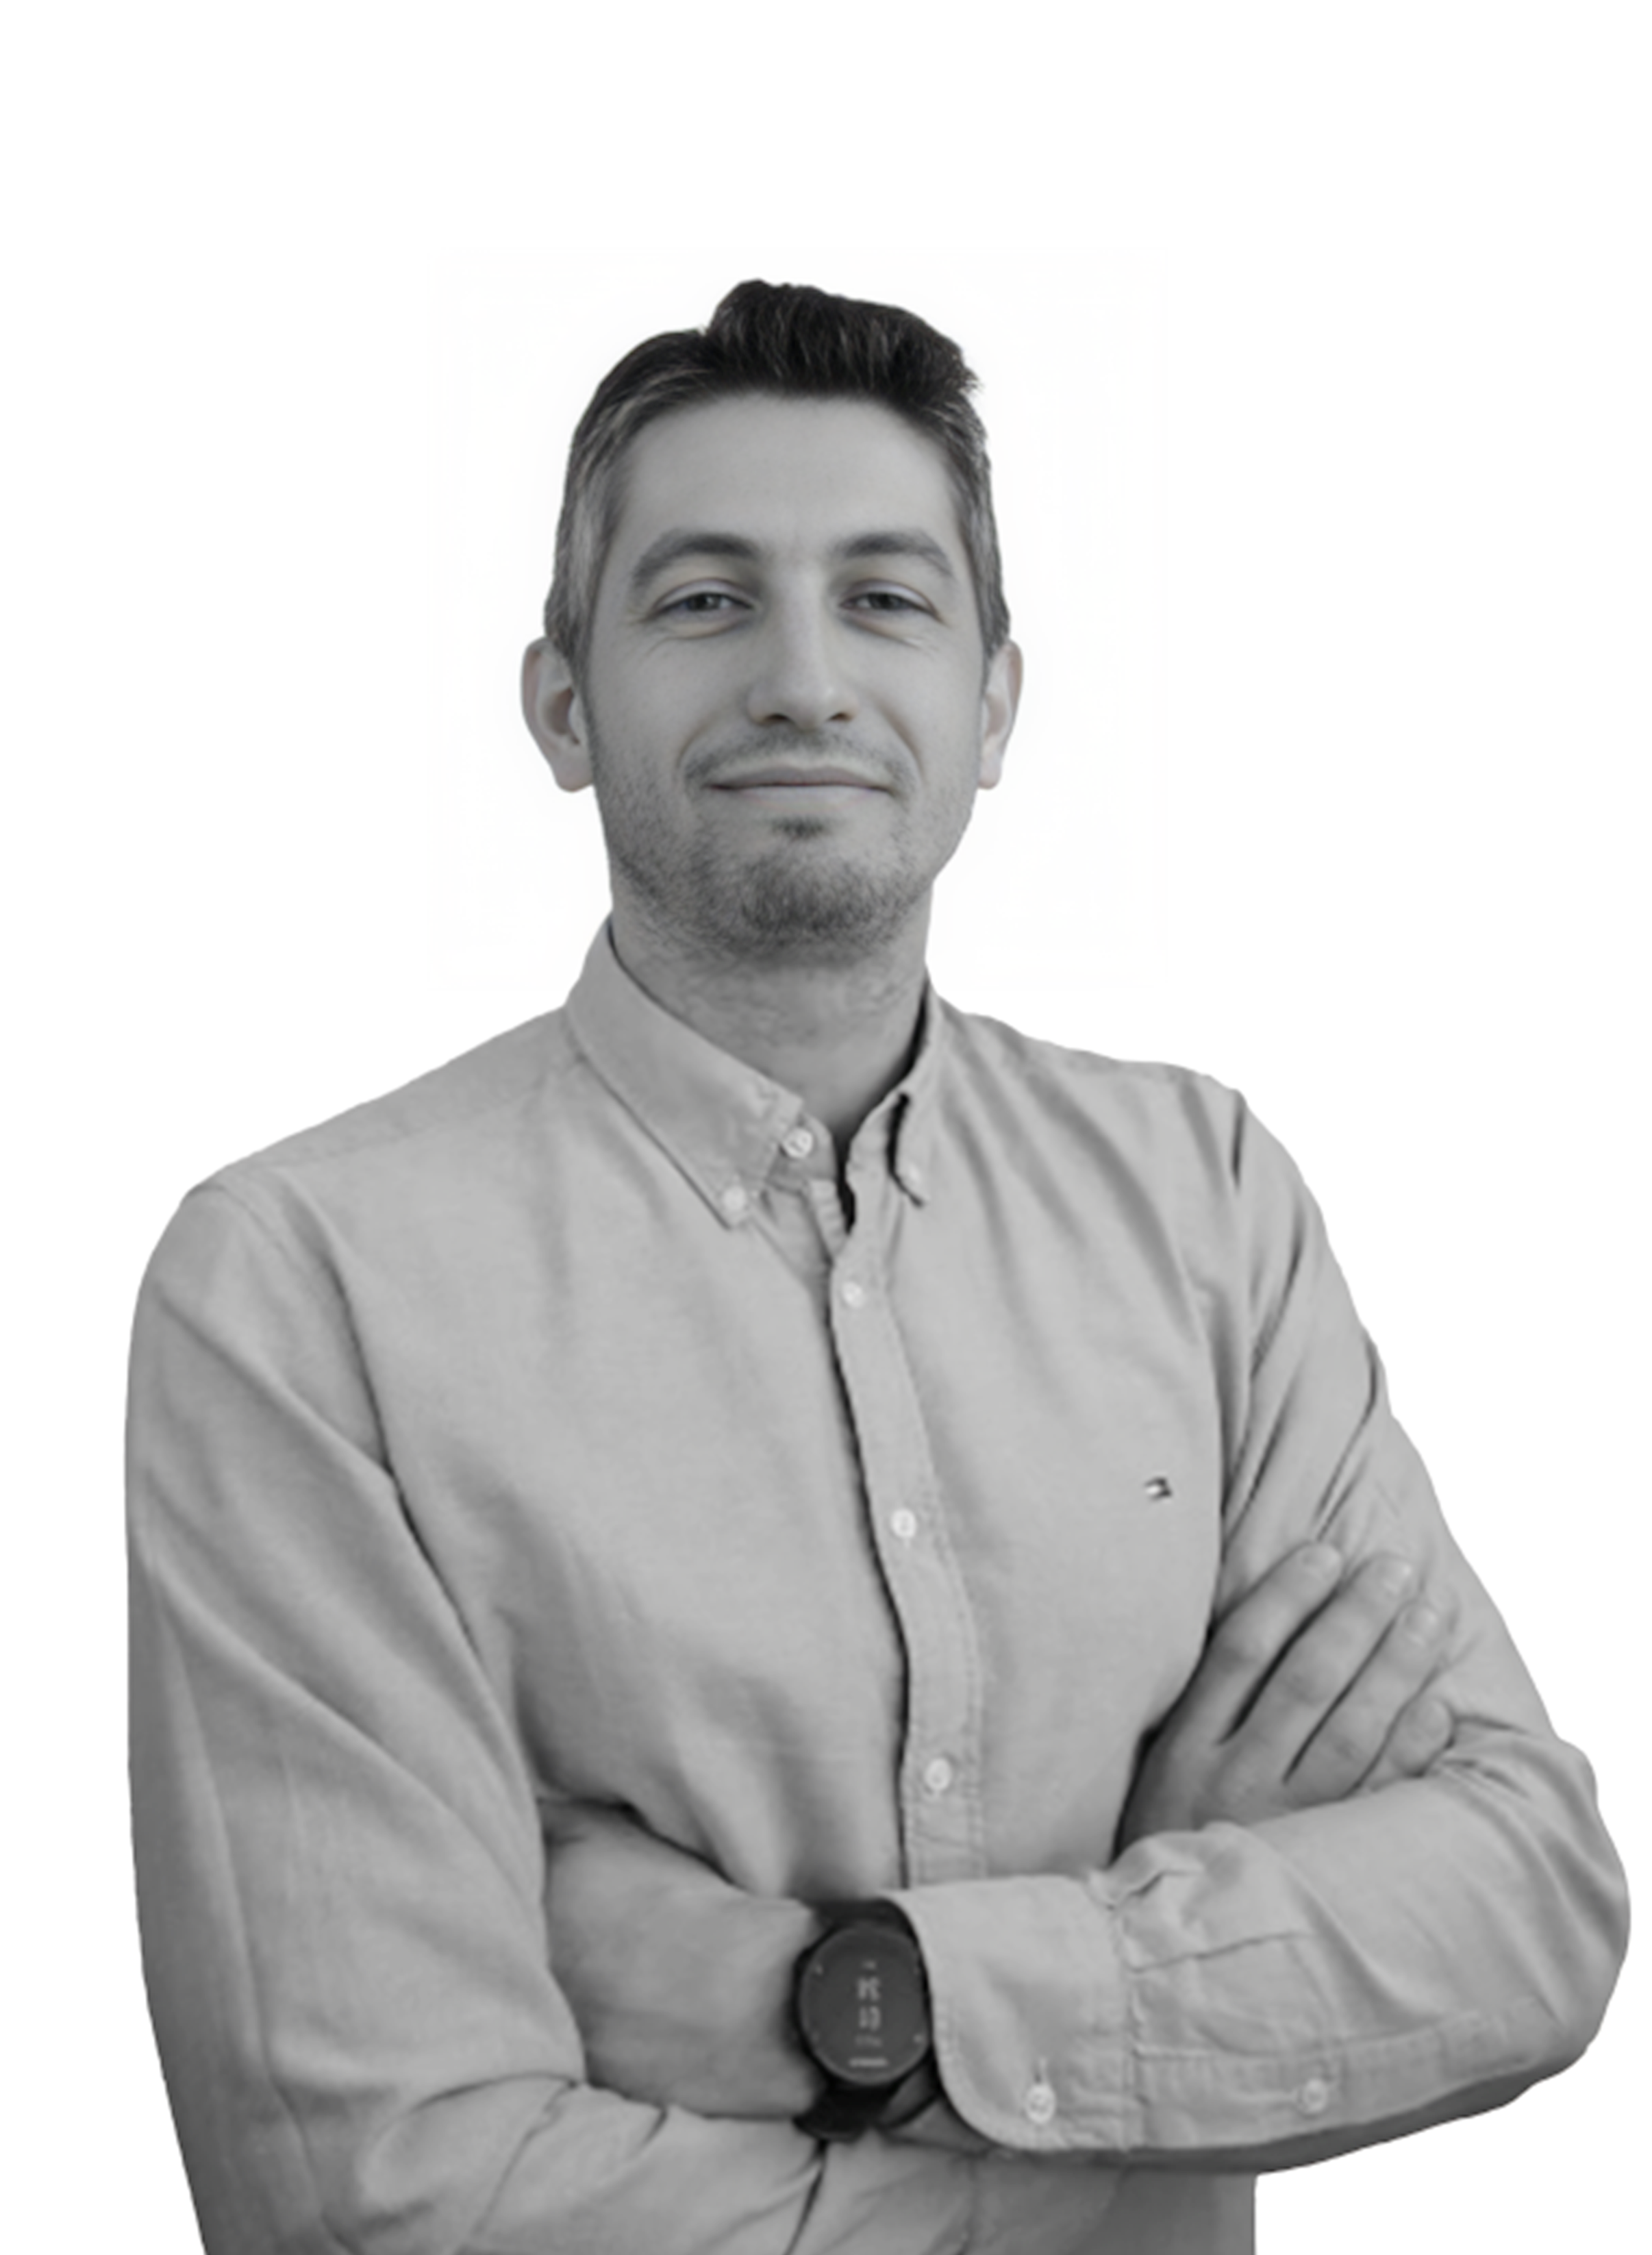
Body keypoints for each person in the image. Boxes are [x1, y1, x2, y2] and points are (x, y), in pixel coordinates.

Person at [127, 280, 1627, 2255]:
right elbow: (377, 2195)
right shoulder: (299, 1291)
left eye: (886, 599)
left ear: (994, 705)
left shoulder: (1205, 1200)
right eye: (702, 599)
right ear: (560, 703)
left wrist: (847, 1998)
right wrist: (1130, 2057)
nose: (804, 678)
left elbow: (1525, 1906)